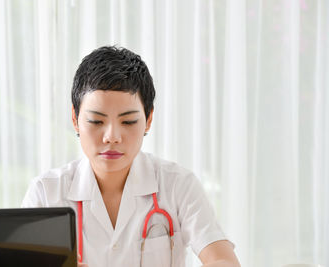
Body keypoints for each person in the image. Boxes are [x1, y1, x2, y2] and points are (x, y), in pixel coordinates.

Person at [22, 46, 240, 267]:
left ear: (149, 119)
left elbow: (222, 259)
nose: (112, 137)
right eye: (96, 121)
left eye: (128, 122)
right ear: (74, 118)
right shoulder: (46, 193)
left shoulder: (178, 185)